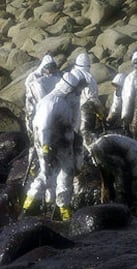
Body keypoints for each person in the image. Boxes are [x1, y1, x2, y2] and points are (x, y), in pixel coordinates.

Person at [21, 72, 86, 221]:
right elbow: (43, 127)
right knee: (47, 175)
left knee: (65, 173)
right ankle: (30, 205)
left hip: (63, 144)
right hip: (50, 145)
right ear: (69, 88)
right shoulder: (52, 102)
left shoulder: (62, 101)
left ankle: (61, 207)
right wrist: (45, 148)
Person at [88, 133, 137, 206]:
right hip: (106, 147)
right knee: (123, 175)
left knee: (108, 181)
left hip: (98, 146)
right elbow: (133, 174)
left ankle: (107, 201)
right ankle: (123, 203)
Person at [70, 52, 106, 148]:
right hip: (86, 110)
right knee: (87, 134)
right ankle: (93, 155)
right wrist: (101, 112)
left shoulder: (70, 75)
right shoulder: (89, 78)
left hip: (70, 110)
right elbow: (93, 98)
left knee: (74, 136)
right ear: (88, 65)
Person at [25, 54, 61, 141]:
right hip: (34, 102)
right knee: (32, 122)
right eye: (48, 67)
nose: (50, 70)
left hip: (49, 103)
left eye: (52, 67)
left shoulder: (56, 74)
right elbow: (28, 87)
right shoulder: (34, 76)